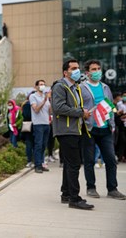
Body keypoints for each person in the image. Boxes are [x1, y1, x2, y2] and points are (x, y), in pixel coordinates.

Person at [51, 59, 94, 210]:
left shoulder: (75, 87)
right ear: (65, 72)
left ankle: (66, 194)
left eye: (78, 68)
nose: (77, 70)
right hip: (66, 130)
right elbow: (58, 107)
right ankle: (75, 199)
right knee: (74, 164)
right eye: (74, 68)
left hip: (75, 130)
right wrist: (81, 113)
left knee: (69, 164)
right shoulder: (60, 86)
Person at [80, 59, 125, 200]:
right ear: (87, 73)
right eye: (94, 69)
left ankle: (112, 189)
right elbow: (78, 106)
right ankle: (91, 187)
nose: (97, 71)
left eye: (98, 68)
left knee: (111, 160)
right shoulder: (81, 88)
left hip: (105, 128)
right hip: (90, 128)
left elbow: (111, 106)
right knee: (89, 160)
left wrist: (111, 123)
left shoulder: (105, 87)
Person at [30, 80, 51, 173]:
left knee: (43, 145)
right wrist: (44, 101)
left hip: (46, 123)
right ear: (36, 86)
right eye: (41, 84)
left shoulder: (45, 97)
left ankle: (42, 163)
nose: (43, 86)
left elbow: (50, 111)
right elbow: (36, 109)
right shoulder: (33, 96)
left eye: (44, 84)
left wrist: (50, 100)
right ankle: (37, 165)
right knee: (38, 144)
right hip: (38, 124)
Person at [21, 91, 35, 167]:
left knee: (36, 144)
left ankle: (35, 160)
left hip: (35, 126)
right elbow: (26, 115)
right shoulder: (27, 105)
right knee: (29, 144)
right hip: (29, 126)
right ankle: (29, 160)